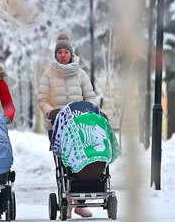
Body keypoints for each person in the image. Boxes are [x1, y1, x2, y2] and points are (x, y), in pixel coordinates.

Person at [36, 33, 98, 219]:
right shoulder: (47, 75)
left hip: (80, 124)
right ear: (56, 55)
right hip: (57, 125)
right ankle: (66, 201)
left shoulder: (81, 74)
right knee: (64, 163)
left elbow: (90, 96)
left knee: (82, 160)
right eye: (60, 52)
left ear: (71, 54)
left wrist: (91, 110)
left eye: (66, 52)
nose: (63, 55)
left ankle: (79, 203)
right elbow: (42, 99)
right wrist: (50, 112)